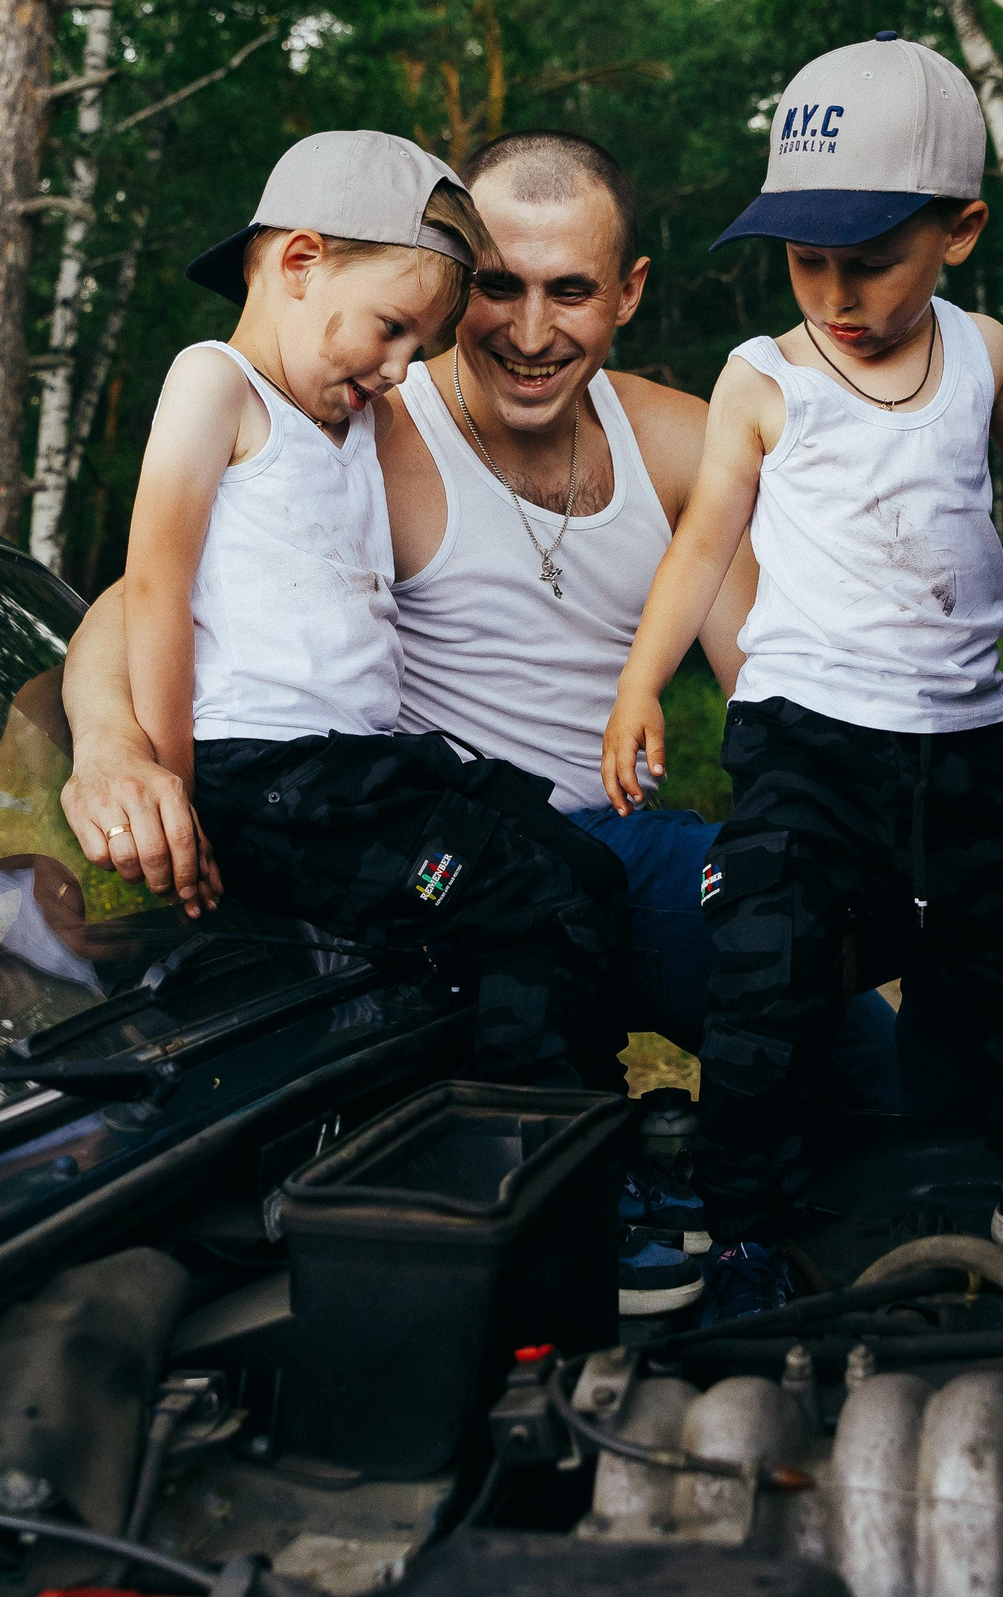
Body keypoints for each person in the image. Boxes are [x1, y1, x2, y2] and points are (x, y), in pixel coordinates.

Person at [63, 131, 895, 1316]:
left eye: (569, 292)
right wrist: (116, 749)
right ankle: (590, 1196)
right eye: (495, 288)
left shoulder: (672, 438)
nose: (527, 330)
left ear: (628, 294)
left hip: (603, 840)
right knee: (536, 933)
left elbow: (781, 676)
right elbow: (142, 592)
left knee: (864, 1043)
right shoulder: (364, 414)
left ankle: (789, 1243)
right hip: (422, 834)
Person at [600, 34, 1003, 1318]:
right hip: (803, 738)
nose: (835, 291)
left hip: (966, 741)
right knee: (770, 978)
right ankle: (744, 1233)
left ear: (958, 230)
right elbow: (706, 536)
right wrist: (640, 687)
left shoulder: (984, 356)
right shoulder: (764, 378)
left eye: (870, 259)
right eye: (805, 258)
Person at [103, 128, 627, 1091]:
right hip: (266, 778)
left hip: (367, 776)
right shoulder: (216, 385)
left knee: (586, 873)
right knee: (523, 899)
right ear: (300, 262)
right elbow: (153, 588)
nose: (398, 368)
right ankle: (525, 1131)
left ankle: (588, 1131)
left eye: (417, 345)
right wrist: (168, 778)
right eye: (390, 328)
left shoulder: (355, 417)